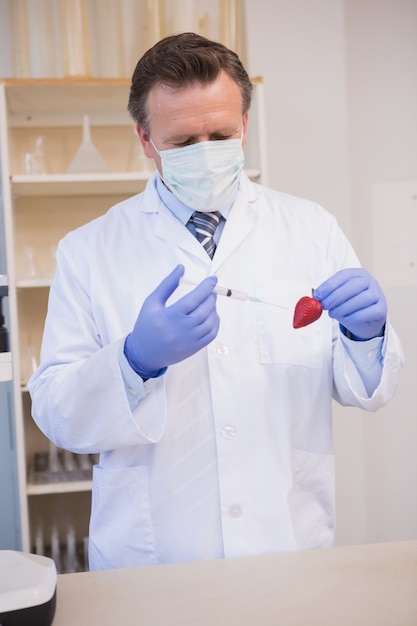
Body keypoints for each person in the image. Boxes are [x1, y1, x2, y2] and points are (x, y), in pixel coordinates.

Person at [29, 32, 403, 571]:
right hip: (154, 560)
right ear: (145, 139)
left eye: (221, 134)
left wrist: (366, 337)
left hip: (286, 544)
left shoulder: (310, 228)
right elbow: (57, 414)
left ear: (245, 126)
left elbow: (365, 391)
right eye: (183, 142)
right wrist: (134, 361)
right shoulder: (89, 251)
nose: (205, 154)